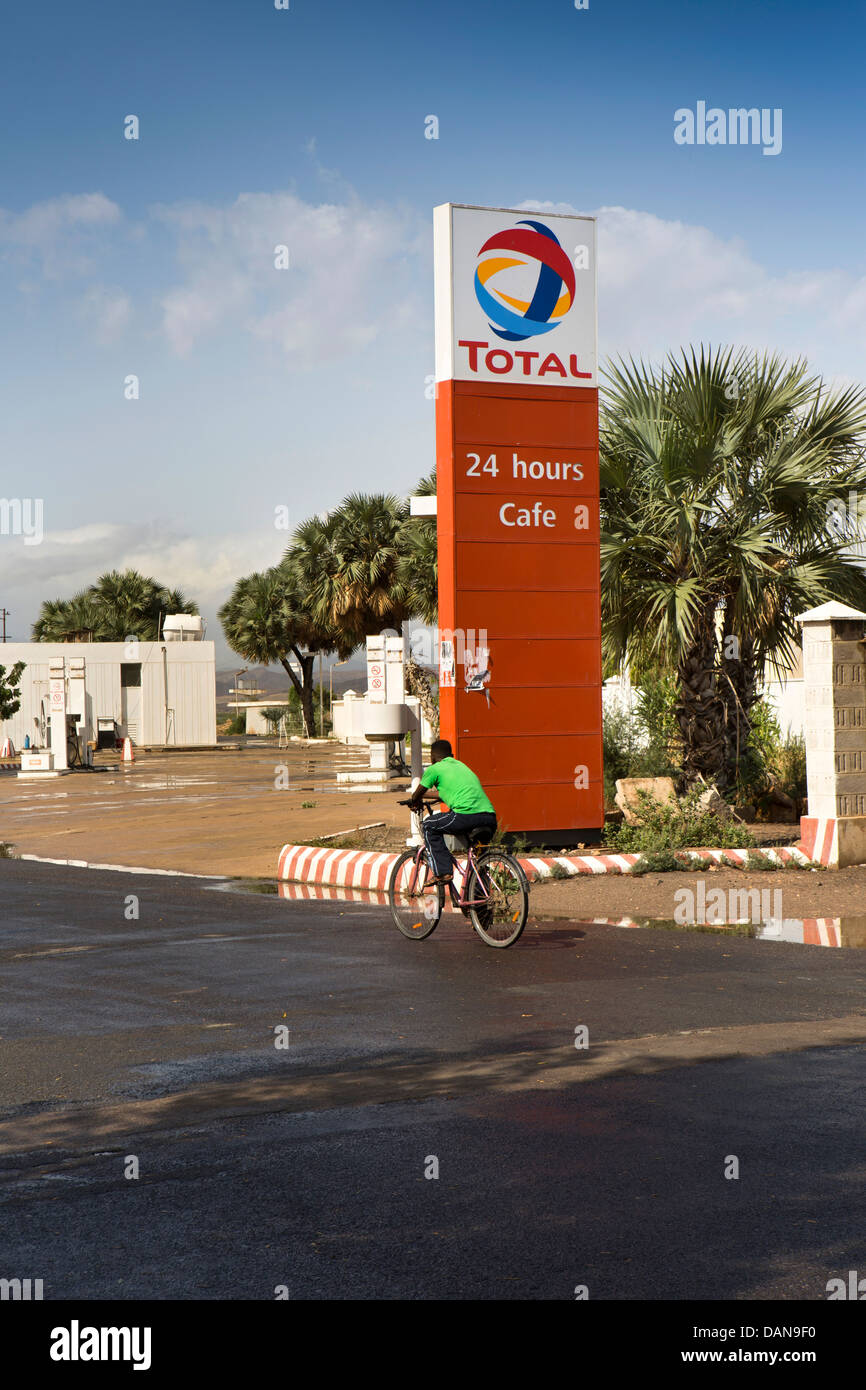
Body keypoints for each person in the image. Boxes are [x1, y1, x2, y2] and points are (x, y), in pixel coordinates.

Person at [407, 738, 497, 883]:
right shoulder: (462, 766)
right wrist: (426, 796)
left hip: (466, 816)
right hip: (489, 817)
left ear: (432, 757)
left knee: (429, 825)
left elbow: (418, 792)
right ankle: (480, 900)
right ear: (452, 756)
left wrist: (414, 800)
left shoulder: (435, 768)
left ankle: (443, 872)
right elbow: (445, 792)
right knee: (478, 861)